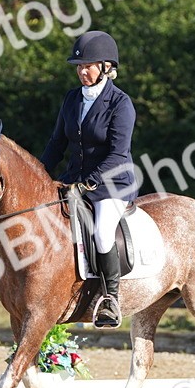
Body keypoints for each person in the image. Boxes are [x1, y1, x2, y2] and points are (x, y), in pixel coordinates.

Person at [39, 30, 137, 328]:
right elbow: (57, 143)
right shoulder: (72, 99)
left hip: (111, 185)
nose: (82, 72)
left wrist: (88, 183)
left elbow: (118, 153)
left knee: (103, 232)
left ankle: (110, 299)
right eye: (79, 67)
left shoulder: (120, 103)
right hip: (73, 181)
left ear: (106, 67)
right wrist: (40, 175)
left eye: (88, 66)